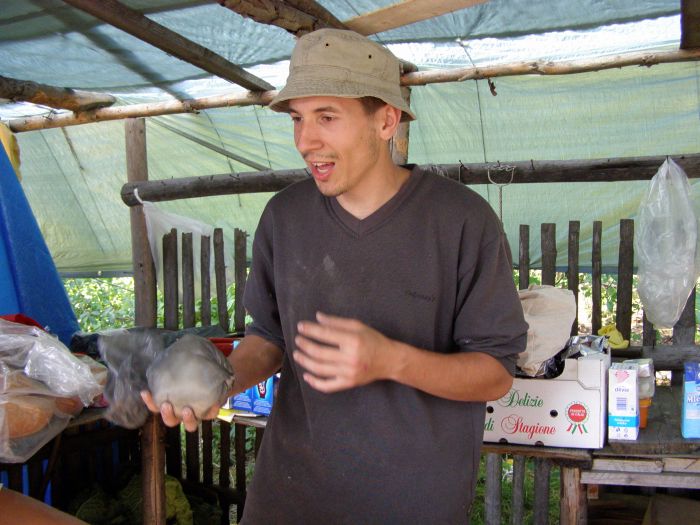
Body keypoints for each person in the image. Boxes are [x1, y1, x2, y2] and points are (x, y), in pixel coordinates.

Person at [144, 28, 528, 524]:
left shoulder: (461, 221)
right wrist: (220, 382)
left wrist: (391, 360)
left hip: (412, 502)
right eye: (298, 119)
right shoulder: (284, 217)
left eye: (327, 117)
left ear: (386, 120)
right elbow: (269, 338)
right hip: (290, 496)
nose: (306, 141)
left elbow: (495, 372)